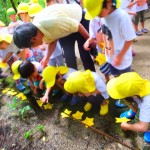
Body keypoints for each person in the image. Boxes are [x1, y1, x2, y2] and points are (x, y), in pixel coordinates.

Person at [83, 0, 136, 107]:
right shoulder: (103, 17)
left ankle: (133, 102)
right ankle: (123, 97)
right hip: (111, 58)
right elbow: (104, 33)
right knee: (116, 78)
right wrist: (93, 43)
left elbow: (130, 39)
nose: (97, 15)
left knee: (126, 82)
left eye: (97, 11)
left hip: (122, 60)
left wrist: (120, 56)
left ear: (108, 2)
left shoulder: (121, 16)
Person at [13, 3, 90, 69]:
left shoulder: (52, 24)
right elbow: (52, 41)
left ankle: (93, 80)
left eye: (30, 46)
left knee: (85, 52)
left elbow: (77, 25)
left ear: (34, 39)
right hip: (67, 27)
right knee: (69, 57)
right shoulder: (38, 32)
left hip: (79, 18)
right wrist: (46, 58)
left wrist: (89, 40)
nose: (32, 48)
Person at [107, 72, 150, 143]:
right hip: (141, 104)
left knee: (143, 126)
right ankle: (133, 112)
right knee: (135, 107)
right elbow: (134, 101)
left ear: (134, 96)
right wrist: (130, 105)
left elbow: (142, 127)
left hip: (147, 108)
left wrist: (127, 126)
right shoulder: (139, 85)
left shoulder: (147, 102)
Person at [57, 0, 96, 71]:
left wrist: (90, 39)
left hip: (80, 20)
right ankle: (73, 78)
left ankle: (91, 76)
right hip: (65, 27)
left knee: (84, 52)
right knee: (69, 54)